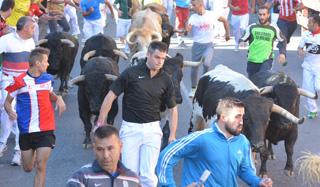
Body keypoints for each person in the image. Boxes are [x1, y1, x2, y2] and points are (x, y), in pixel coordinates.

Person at [97, 41, 178, 187]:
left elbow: (173, 109)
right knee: (130, 174)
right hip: (130, 129)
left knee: (148, 175)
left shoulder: (166, 79)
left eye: (163, 58)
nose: (160, 61)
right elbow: (110, 96)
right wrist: (100, 123)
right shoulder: (130, 73)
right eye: (157, 57)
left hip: (153, 130)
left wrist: (172, 134)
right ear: (148, 55)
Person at [156, 97, 273, 187]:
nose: (242, 122)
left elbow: (245, 170)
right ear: (223, 117)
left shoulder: (242, 141)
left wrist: (258, 182)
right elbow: (166, 156)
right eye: (237, 117)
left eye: (242, 117)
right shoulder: (201, 138)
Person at [4, 47, 66, 187]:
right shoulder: (19, 81)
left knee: (40, 165)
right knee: (28, 167)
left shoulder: (48, 79)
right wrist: (10, 111)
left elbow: (50, 94)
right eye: (46, 61)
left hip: (46, 128)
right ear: (38, 63)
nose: (48, 64)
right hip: (26, 130)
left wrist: (59, 98)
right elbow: (7, 102)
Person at [0, 16, 36, 165]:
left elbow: (32, 64)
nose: (34, 30)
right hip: (8, 81)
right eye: (32, 27)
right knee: (7, 110)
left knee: (21, 115)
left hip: (24, 83)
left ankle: (17, 151)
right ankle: (2, 143)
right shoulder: (6, 40)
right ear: (24, 28)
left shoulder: (31, 42)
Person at [66, 125, 140, 187]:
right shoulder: (81, 177)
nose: (105, 155)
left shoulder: (133, 180)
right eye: (100, 149)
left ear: (120, 147)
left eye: (110, 148)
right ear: (94, 149)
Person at [186, 0, 230, 98]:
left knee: (206, 64)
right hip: (197, 45)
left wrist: (227, 34)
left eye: (194, 5)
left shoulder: (211, 15)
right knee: (195, 67)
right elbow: (188, 28)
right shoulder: (193, 17)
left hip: (208, 45)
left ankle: (204, 85)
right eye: (191, 5)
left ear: (201, 5)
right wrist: (186, 30)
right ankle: (193, 88)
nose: (192, 7)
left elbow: (225, 20)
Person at [239, 5, 287, 79]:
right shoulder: (252, 27)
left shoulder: (273, 28)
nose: (262, 17)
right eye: (260, 14)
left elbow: (283, 40)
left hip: (266, 60)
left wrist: (282, 53)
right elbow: (243, 38)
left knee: (263, 80)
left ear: (268, 15)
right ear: (258, 15)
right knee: (253, 83)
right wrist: (242, 42)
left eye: (264, 14)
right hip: (253, 60)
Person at [297, 14, 320, 119]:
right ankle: (313, 110)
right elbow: (300, 48)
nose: (307, 24)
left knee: (318, 87)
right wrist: (300, 52)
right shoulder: (306, 35)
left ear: (316, 24)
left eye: (309, 22)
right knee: (308, 89)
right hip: (307, 66)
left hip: (319, 66)